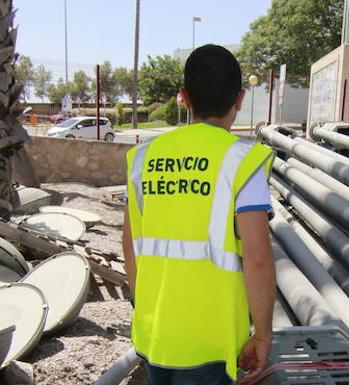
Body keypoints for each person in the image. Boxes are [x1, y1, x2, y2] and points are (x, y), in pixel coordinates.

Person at [122, 44, 276, 385]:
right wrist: (263, 335)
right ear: (239, 99)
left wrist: (145, 309)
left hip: (157, 335)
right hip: (213, 342)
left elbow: (130, 246)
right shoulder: (242, 161)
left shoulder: (142, 159)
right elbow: (258, 257)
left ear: (183, 98)